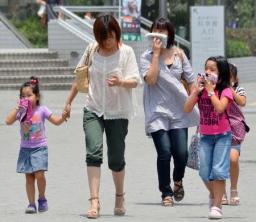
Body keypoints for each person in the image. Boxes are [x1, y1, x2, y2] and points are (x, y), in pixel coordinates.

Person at [63, 14, 140, 219]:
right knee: (93, 151)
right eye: (103, 38)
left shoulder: (126, 52)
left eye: (111, 36)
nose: (108, 42)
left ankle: (119, 196)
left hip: (118, 112)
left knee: (116, 158)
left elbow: (136, 80)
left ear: (117, 33)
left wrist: (122, 82)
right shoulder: (92, 51)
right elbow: (80, 78)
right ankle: (94, 200)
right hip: (93, 108)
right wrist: (68, 102)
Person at [140, 17, 199, 206]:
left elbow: (191, 80)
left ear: (170, 34)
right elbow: (150, 79)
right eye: (156, 30)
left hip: (179, 111)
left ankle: (178, 180)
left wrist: (196, 100)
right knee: (164, 152)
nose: (159, 34)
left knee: (181, 153)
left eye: (163, 31)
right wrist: (156, 55)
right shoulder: (146, 57)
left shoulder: (180, 55)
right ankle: (166, 193)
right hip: (157, 111)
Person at [5, 76, 68, 214]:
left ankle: (42, 198)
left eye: (29, 95)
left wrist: (63, 116)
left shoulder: (42, 110)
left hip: (40, 147)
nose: (26, 98)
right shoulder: (20, 112)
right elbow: (8, 121)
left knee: (39, 174)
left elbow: (56, 121)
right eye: (23, 96)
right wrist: (17, 109)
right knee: (28, 176)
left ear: (37, 96)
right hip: (25, 148)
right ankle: (31, 204)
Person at [184, 56, 233, 219]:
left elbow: (219, 108)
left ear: (221, 73)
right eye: (206, 68)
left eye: (212, 69)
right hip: (205, 137)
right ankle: (215, 195)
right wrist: (196, 92)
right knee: (204, 172)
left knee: (218, 170)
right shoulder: (200, 90)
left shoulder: (225, 91)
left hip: (222, 136)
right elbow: (186, 108)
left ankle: (217, 206)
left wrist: (211, 91)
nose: (208, 72)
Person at [221, 63, 247, 206]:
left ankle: (234, 189)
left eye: (228, 77)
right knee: (220, 163)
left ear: (234, 78)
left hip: (234, 131)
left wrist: (230, 89)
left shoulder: (238, 89)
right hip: (218, 130)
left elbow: (242, 102)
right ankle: (222, 192)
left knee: (232, 159)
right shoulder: (216, 90)